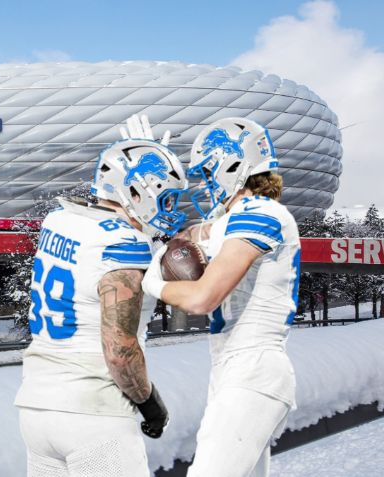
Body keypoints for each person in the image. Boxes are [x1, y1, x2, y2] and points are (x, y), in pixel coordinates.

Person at [14, 115, 188, 476]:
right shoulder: (125, 245)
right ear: (135, 192)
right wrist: (149, 403)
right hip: (94, 414)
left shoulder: (60, 220)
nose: (170, 209)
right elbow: (119, 352)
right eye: (165, 197)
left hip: (36, 409)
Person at [141, 117, 300, 477]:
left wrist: (154, 283)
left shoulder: (261, 214)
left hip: (253, 368)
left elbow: (202, 299)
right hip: (234, 368)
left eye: (210, 172)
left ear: (232, 164)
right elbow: (198, 232)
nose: (207, 183)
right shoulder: (239, 219)